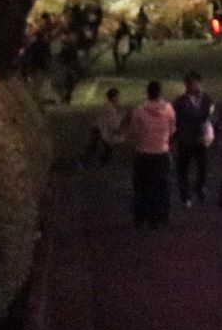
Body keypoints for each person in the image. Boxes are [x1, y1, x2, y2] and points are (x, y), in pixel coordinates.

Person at [128, 80, 176, 228]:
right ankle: (161, 216)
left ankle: (141, 217)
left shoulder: (139, 110)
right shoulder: (168, 109)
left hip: (143, 153)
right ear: (160, 93)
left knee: (142, 186)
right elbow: (172, 128)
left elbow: (134, 131)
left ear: (147, 92)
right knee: (162, 186)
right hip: (161, 152)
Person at [173, 71, 214, 206]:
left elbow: (210, 116)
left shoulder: (206, 99)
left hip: (200, 139)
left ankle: (199, 187)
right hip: (185, 139)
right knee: (183, 169)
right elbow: (176, 120)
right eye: (188, 83)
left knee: (203, 168)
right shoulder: (180, 101)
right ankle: (185, 196)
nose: (190, 86)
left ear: (198, 83)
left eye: (193, 83)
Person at [85, 86, 127, 166]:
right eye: (118, 96)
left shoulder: (108, 105)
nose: (119, 98)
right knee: (105, 146)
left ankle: (93, 161)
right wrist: (121, 114)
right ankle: (95, 162)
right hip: (101, 129)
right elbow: (113, 122)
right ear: (114, 97)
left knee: (97, 146)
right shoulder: (110, 108)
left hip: (99, 128)